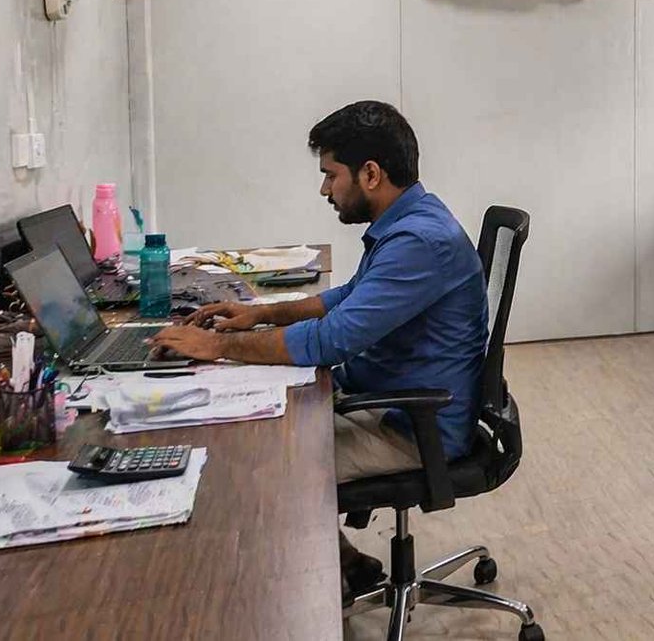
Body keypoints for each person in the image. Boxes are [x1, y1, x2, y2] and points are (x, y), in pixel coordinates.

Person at [151, 100, 488, 599]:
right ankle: (348, 566)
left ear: (370, 174)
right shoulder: (412, 218)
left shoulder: (420, 240)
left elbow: (332, 340)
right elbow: (349, 297)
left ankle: (296, 604)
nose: (325, 189)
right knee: (269, 428)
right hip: (390, 399)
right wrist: (263, 314)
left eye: (331, 175)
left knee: (258, 466)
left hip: (415, 428)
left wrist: (216, 345)